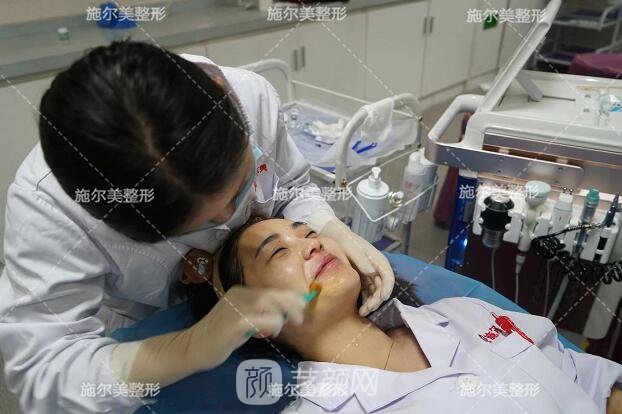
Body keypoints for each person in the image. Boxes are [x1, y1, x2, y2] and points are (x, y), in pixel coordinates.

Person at [0, 40, 394, 413]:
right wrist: (187, 349)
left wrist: (326, 224)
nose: (229, 221)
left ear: (222, 90)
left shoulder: (250, 97)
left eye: (240, 188)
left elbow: (290, 186)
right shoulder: (50, 210)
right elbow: (44, 371)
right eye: (197, 224)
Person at [185, 217, 622, 414]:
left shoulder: (462, 312)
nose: (312, 243)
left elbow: (591, 382)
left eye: (309, 232)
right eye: (279, 251)